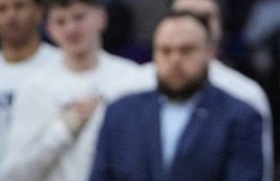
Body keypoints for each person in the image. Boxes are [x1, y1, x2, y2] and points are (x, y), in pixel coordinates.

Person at [91, 11, 263, 181]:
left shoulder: (239, 117)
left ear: (209, 52)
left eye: (186, 50)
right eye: (165, 51)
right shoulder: (120, 113)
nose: (175, 60)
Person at [0, 0, 141, 181]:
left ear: (101, 18)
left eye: (79, 17)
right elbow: (14, 174)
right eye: (60, 21)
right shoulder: (35, 87)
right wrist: (63, 130)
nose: (71, 28)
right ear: (49, 29)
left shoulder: (132, 78)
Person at [137, 0, 274, 181]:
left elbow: (258, 173)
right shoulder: (132, 86)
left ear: (221, 26)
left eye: (204, 18)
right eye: (183, 15)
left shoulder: (245, 93)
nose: (193, 25)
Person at [0, 0, 60, 161]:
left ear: (39, 12)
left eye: (19, 6)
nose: (11, 16)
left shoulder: (63, 65)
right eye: (2, 9)